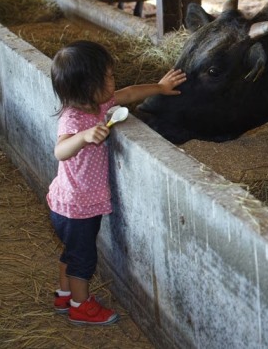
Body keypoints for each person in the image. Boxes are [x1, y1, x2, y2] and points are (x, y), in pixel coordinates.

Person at [47, 40, 186, 325]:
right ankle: (79, 305)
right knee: (83, 260)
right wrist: (83, 137)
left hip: (72, 203)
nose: (114, 80)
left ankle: (64, 293)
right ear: (87, 86)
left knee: (72, 252)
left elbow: (130, 93)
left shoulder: (100, 104)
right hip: (77, 207)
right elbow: (60, 151)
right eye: (107, 76)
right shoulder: (73, 119)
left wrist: (159, 88)